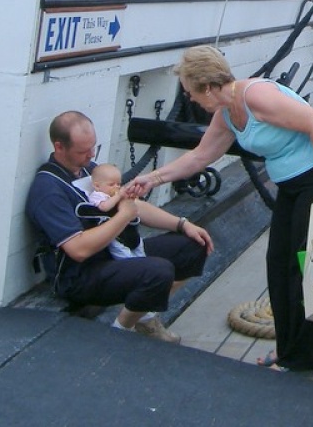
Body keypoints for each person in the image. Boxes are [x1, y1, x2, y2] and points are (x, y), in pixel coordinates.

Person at [129, 45, 313, 373]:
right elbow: (199, 157)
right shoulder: (227, 114)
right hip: (292, 184)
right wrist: (151, 179)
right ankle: (289, 350)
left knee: (303, 270)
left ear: (206, 86)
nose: (189, 99)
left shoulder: (255, 96)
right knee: (278, 264)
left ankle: (303, 359)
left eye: (189, 92)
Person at [26, 111, 214, 344]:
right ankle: (118, 335)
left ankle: (145, 319)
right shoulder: (48, 190)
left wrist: (182, 224)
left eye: (93, 147)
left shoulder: (90, 169)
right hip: (80, 274)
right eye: (83, 151)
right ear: (59, 147)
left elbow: (133, 206)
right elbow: (78, 249)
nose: (91, 155)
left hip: (116, 252)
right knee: (158, 270)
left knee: (193, 246)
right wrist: (123, 216)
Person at [87, 163, 146, 260]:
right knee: (120, 250)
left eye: (118, 184)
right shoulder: (98, 195)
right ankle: (130, 264)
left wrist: (129, 197)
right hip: (111, 231)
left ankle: (143, 260)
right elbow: (104, 207)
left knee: (139, 244)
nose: (116, 187)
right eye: (111, 184)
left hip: (125, 227)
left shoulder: (113, 195)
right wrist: (118, 196)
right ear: (97, 186)